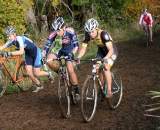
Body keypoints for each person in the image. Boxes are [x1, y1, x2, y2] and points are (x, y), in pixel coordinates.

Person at [0, 26, 52, 93]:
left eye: (9, 36)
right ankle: (39, 85)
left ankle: (48, 74)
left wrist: (9, 53)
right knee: (29, 73)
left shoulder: (19, 39)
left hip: (36, 53)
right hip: (28, 54)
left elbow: (21, 52)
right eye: (7, 36)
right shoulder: (11, 41)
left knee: (37, 73)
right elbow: (1, 47)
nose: (8, 38)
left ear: (14, 34)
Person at [77, 18, 118, 98]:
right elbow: (83, 48)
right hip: (101, 51)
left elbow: (111, 49)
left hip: (111, 51)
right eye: (89, 32)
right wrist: (78, 57)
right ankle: (102, 87)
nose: (91, 34)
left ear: (96, 29)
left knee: (106, 67)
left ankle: (109, 90)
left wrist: (106, 58)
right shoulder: (87, 35)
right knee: (97, 68)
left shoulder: (103, 34)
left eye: (92, 31)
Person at [42, 17, 80, 98]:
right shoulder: (54, 34)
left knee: (70, 69)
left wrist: (72, 54)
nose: (57, 32)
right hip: (58, 51)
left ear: (64, 27)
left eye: (59, 30)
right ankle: (61, 73)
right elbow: (47, 46)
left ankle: (76, 89)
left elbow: (76, 46)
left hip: (69, 50)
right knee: (49, 60)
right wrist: (43, 55)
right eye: (56, 30)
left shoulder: (70, 31)